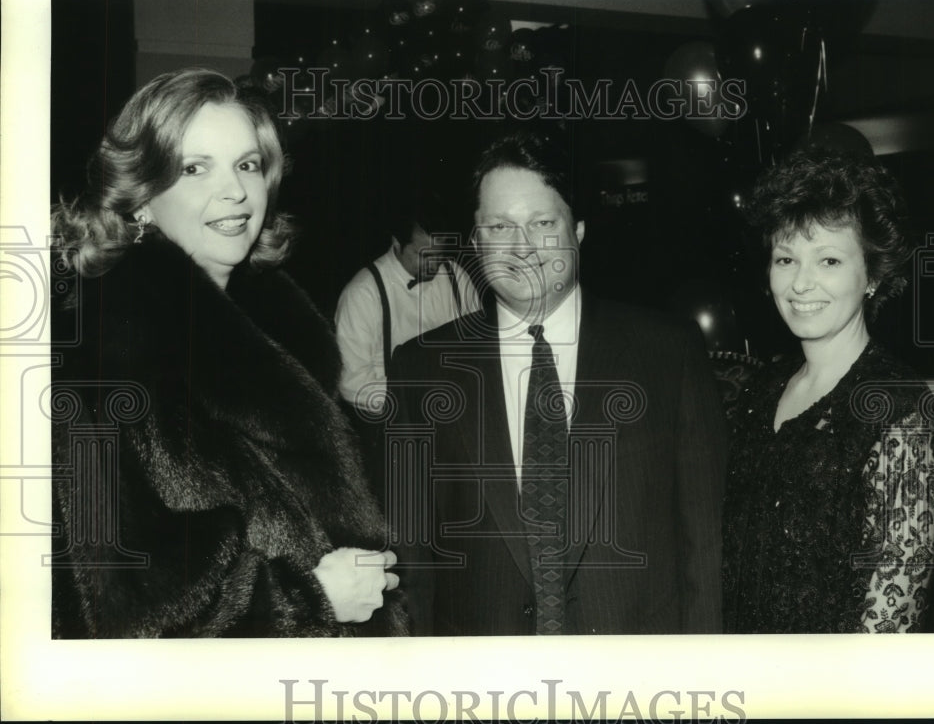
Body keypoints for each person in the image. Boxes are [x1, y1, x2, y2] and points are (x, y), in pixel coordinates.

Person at [49, 68, 407, 637]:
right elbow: (111, 612)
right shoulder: (100, 357)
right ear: (140, 198)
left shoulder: (278, 331)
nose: (236, 191)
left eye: (247, 164)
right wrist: (309, 599)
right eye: (195, 169)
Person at [387, 128, 728, 635]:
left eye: (543, 222)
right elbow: (412, 559)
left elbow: (706, 543)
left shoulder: (668, 353)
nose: (522, 247)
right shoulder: (421, 368)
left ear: (580, 230)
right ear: (476, 241)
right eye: (500, 227)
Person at [722, 147, 934, 634]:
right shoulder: (757, 393)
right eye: (786, 258)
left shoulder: (897, 412)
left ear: (872, 275)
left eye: (828, 260)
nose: (801, 283)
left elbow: (889, 628)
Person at [334, 196, 480, 416]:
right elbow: (351, 383)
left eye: (439, 255)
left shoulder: (457, 276)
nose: (433, 265)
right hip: (395, 421)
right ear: (396, 244)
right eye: (424, 255)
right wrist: (415, 398)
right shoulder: (362, 294)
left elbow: (478, 345)